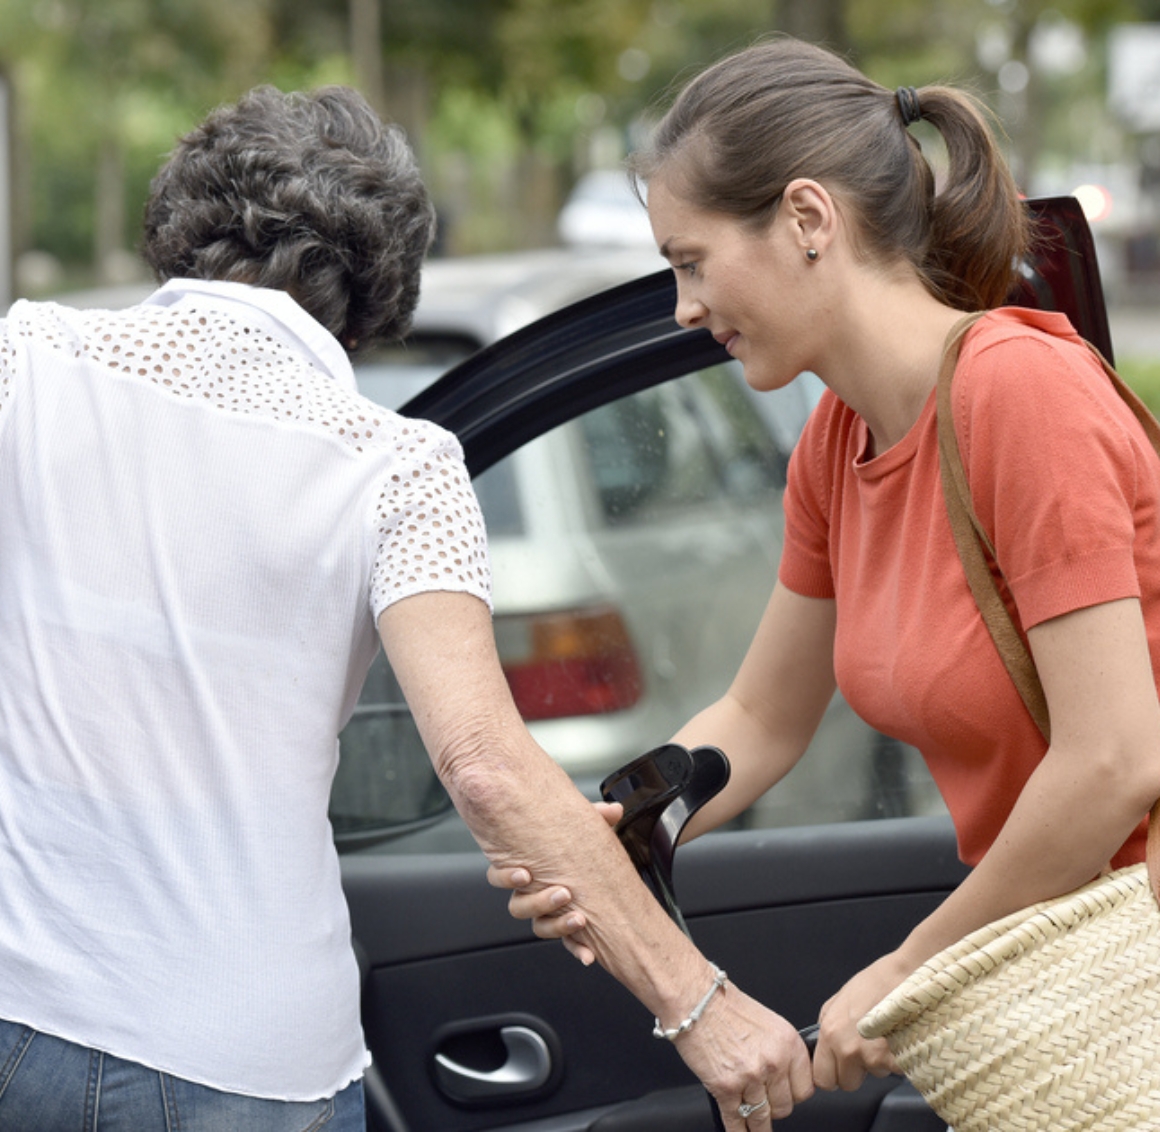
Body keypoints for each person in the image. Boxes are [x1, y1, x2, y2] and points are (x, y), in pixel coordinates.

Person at [0, 84, 812, 1132]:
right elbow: (484, 767)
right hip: (247, 1064)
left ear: (181, 219)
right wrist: (699, 1005)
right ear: (379, 288)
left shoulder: (24, 362)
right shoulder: (397, 467)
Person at [492, 33, 1160, 1112]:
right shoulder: (835, 445)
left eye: (691, 261)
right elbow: (762, 716)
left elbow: (1114, 759)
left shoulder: (1021, 395)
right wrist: (614, 833)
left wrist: (908, 969)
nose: (682, 307)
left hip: (1120, 963)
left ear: (808, 218)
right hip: (1056, 981)